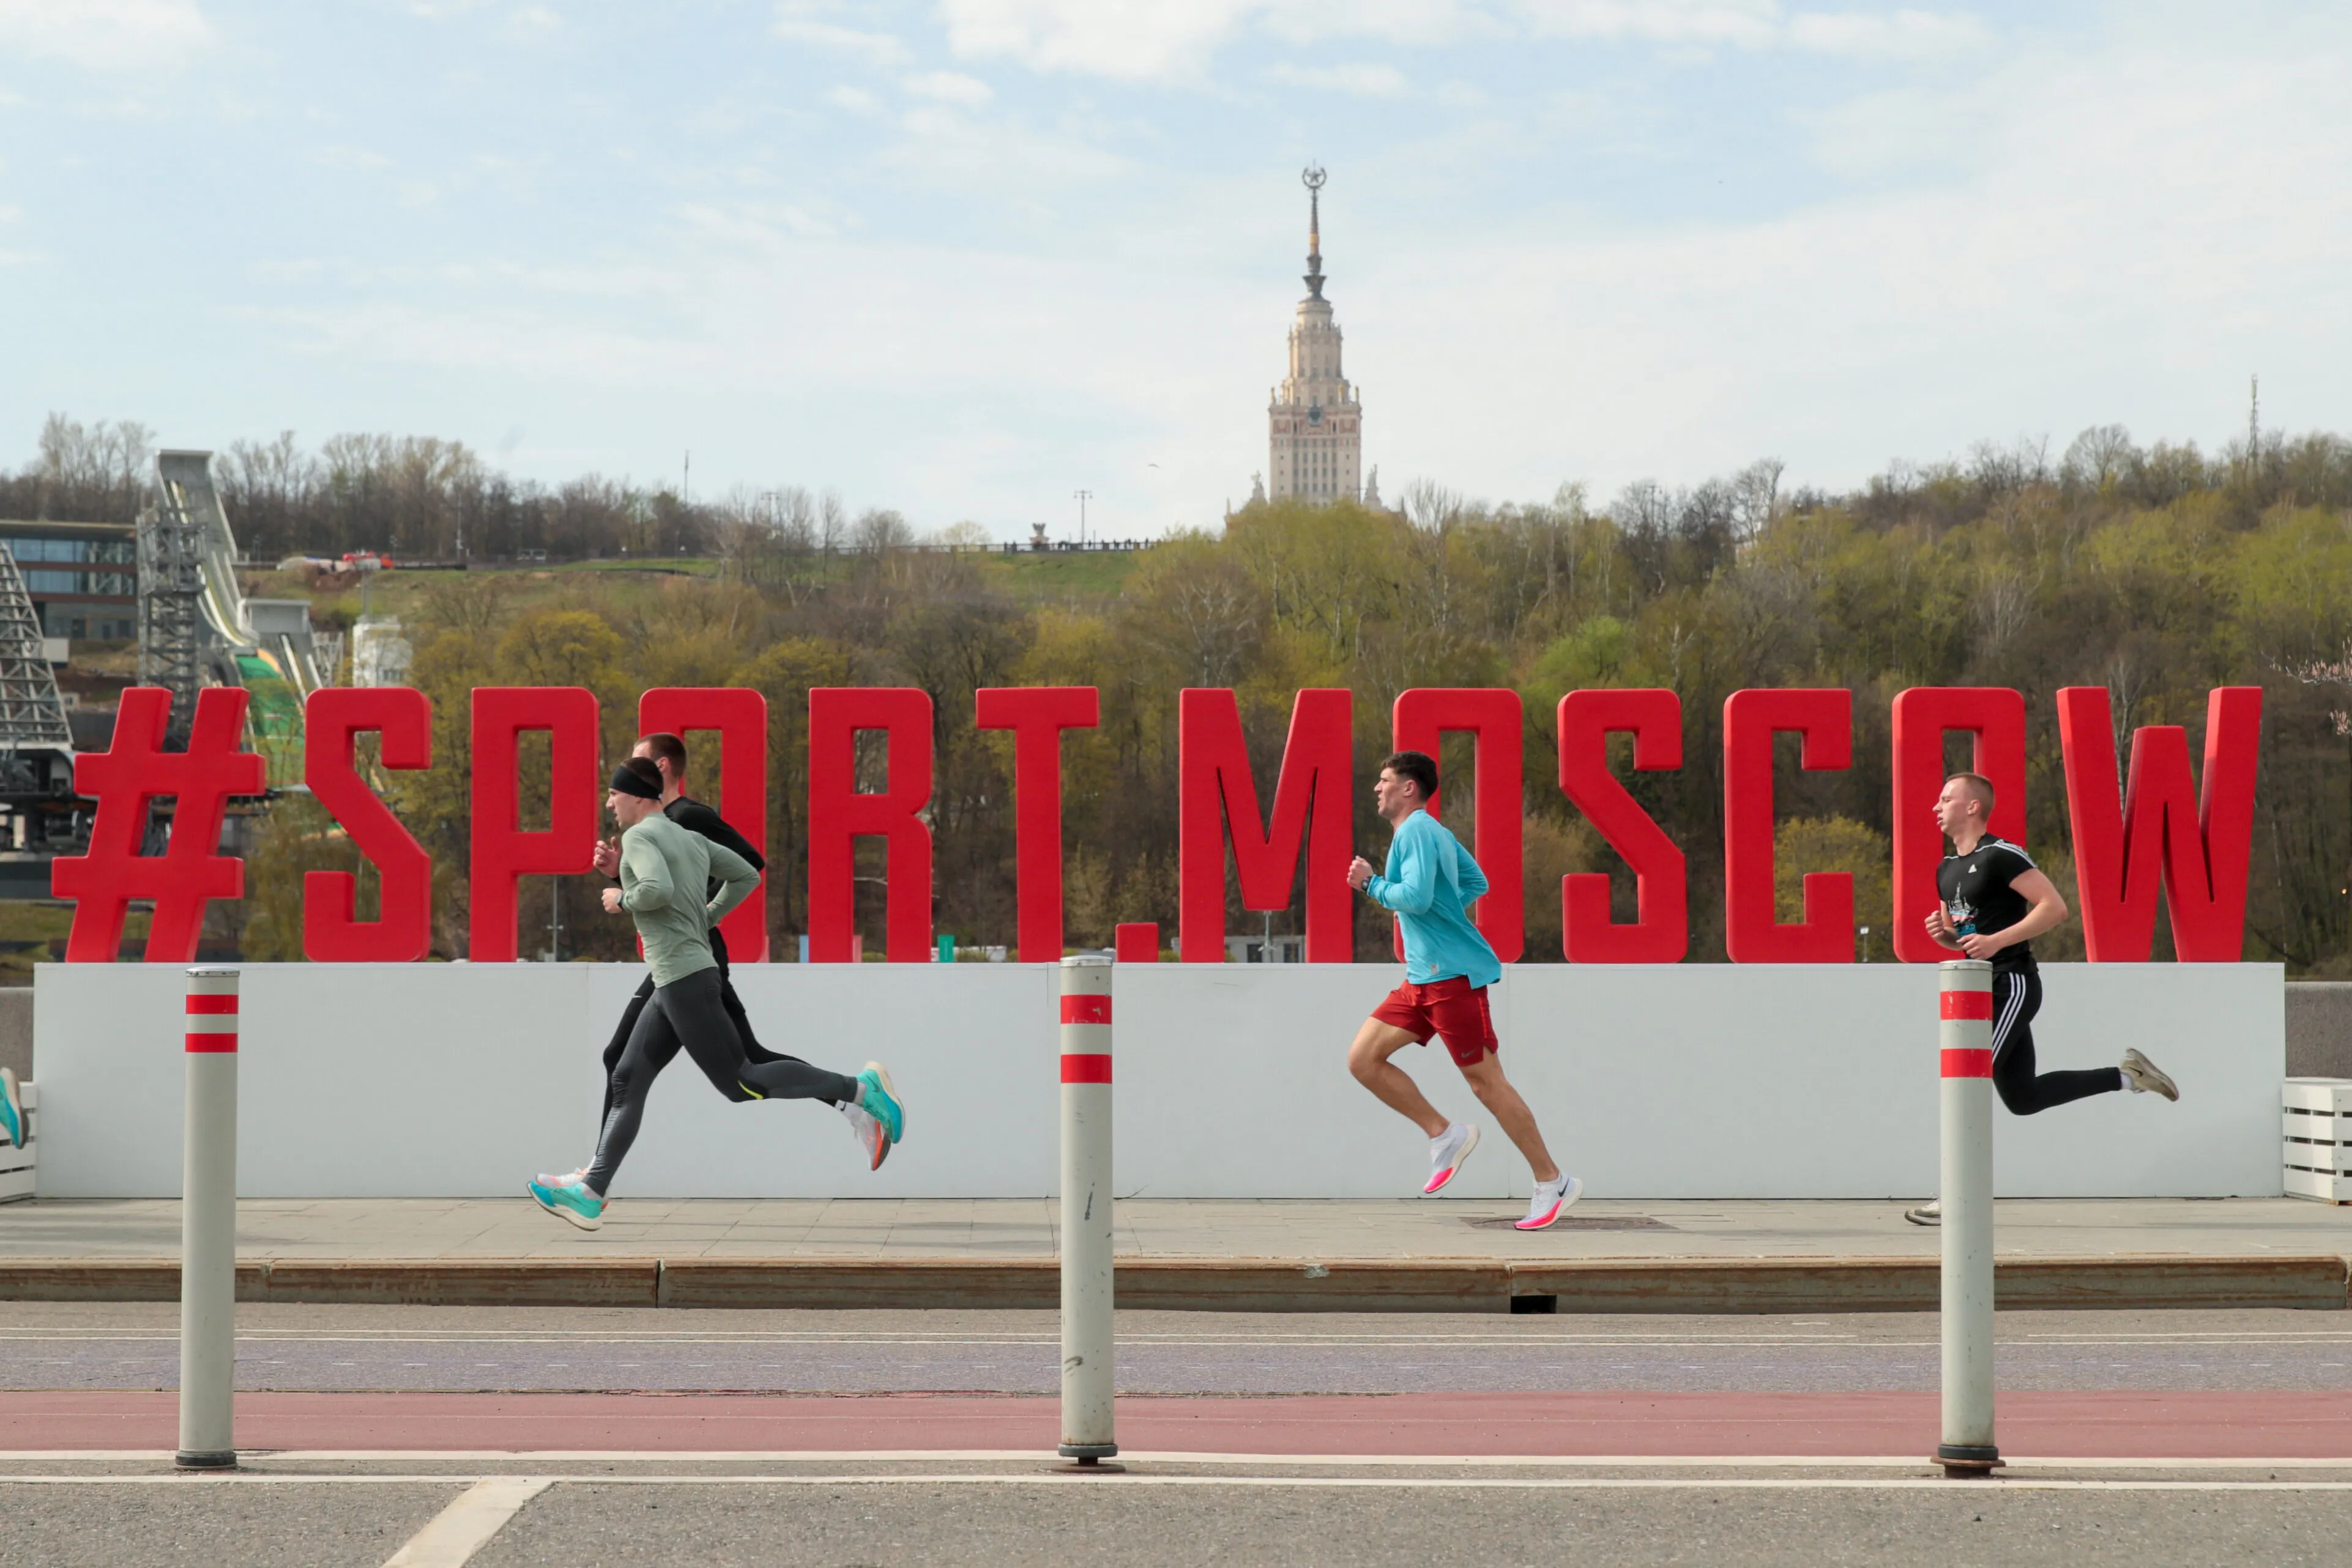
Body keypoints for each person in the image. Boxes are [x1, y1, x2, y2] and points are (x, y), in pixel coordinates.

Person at [527, 757, 904, 1232]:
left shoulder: (640, 837)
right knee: (626, 1077)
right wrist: (705, 916)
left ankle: (860, 1090)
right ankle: (590, 1190)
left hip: (684, 978)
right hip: (675, 978)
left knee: (743, 1081)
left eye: (614, 793)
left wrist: (620, 896)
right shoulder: (688, 838)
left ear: (638, 796)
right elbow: (746, 874)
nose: (609, 803)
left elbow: (657, 889)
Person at [1905, 771, 2178, 1226]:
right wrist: (1951, 938)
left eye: (1946, 798)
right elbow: (1973, 938)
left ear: (1973, 806)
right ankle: (2129, 1076)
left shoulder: (2001, 855)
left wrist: (1995, 942)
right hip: (1980, 989)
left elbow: (2055, 907)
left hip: (2011, 984)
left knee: (1966, 1082)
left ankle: (1956, 1194)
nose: (1937, 806)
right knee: (2023, 1097)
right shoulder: (1945, 869)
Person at [1345, 749, 1582, 1230]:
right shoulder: (1435, 832)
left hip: (1450, 979)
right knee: (1363, 1060)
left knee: (1486, 1083)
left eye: (1384, 779)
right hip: (1421, 980)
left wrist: (1371, 884)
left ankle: (1551, 1179)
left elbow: (1415, 896)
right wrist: (1445, 915)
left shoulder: (1415, 830)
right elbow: (1475, 882)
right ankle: (1445, 1134)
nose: (1377, 787)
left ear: (1409, 787)